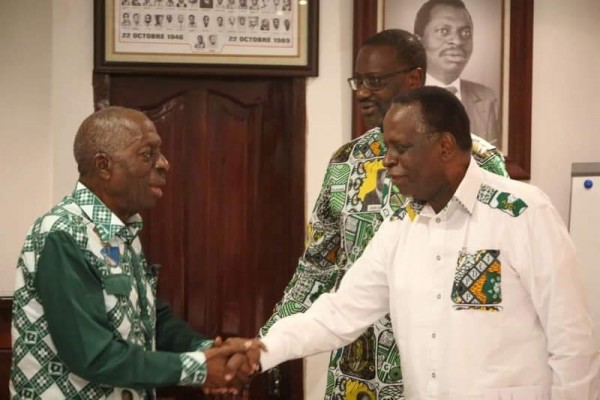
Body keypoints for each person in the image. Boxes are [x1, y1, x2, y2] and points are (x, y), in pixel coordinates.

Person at [258, 87, 600, 399]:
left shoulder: (522, 212)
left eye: (401, 148)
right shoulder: (398, 229)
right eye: (387, 148)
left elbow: (571, 340)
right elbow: (338, 314)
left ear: (445, 146)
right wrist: (260, 351)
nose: (388, 160)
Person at [259, 29, 507, 400]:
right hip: (359, 374)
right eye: (358, 81)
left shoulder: (478, 161)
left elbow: (488, 279)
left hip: (444, 372)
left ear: (414, 78)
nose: (362, 92)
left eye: (374, 81)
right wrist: (265, 345)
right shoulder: (346, 162)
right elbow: (317, 267)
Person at [9, 107, 258, 398]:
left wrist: (208, 350)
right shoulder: (61, 234)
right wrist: (200, 368)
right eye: (147, 154)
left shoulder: (122, 233)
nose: (164, 164)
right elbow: (93, 354)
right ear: (104, 165)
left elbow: (151, 321)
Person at [414, 0, 500, 145]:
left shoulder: (488, 100)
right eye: (444, 31)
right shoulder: (399, 98)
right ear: (419, 41)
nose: (458, 41)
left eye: (465, 32)